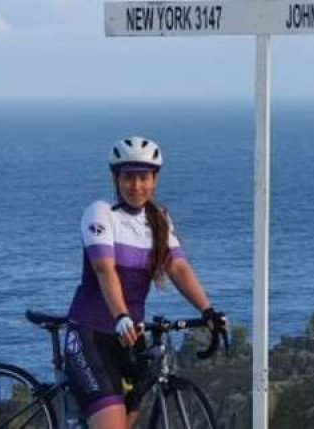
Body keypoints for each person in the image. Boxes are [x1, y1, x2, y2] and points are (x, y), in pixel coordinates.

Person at [64, 136, 227, 429]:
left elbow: (178, 267)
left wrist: (208, 311)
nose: (136, 186)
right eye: (128, 177)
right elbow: (104, 269)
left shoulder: (159, 219)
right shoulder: (100, 213)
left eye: (143, 177)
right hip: (92, 334)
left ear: (155, 180)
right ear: (116, 178)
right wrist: (121, 316)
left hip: (129, 339)